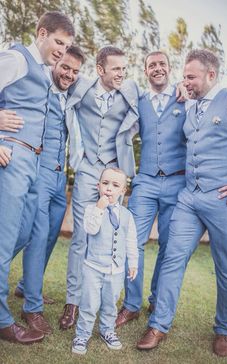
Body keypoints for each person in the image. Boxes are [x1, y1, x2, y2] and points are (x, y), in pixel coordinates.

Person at [136, 49, 227, 358]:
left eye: (191, 77)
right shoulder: (189, 102)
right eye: (184, 76)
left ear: (211, 75)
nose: (185, 81)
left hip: (223, 200)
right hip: (189, 197)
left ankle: (225, 329)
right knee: (172, 259)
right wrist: (183, 89)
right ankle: (158, 325)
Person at [0, 11, 74, 345]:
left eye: (67, 45)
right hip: (12, 155)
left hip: (34, 161)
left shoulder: (44, 73)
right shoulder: (16, 58)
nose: (62, 50)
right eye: (59, 42)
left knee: (28, 231)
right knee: (3, 241)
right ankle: (3, 320)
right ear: (42, 33)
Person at [59, 46, 139, 330]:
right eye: (116, 68)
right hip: (86, 170)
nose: (121, 73)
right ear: (101, 68)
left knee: (111, 233)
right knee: (81, 237)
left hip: (114, 173)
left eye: (124, 69)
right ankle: (73, 302)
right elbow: (55, 82)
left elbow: (156, 101)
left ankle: (107, 300)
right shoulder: (80, 85)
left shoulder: (130, 91)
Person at [8, 46, 84, 335]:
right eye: (65, 67)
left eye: (75, 71)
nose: (69, 74)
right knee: (34, 236)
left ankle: (25, 286)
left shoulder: (72, 95)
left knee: (50, 236)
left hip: (60, 178)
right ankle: (33, 308)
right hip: (37, 174)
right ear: (54, 62)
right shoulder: (37, 86)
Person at [116, 51, 188, 328]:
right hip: (145, 180)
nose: (157, 69)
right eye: (151, 65)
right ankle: (131, 305)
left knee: (168, 246)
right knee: (131, 242)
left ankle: (156, 298)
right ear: (145, 71)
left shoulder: (186, 99)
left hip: (177, 182)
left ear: (170, 69)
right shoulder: (138, 101)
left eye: (162, 64)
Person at [72, 167, 138, 355]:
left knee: (110, 304)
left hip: (115, 271)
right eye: (105, 183)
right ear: (98, 186)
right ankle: (82, 334)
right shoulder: (91, 209)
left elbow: (131, 241)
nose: (109, 188)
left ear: (123, 191)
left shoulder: (126, 215)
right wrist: (99, 209)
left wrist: (133, 263)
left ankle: (107, 330)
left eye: (115, 185)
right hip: (93, 268)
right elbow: (91, 229)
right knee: (89, 304)